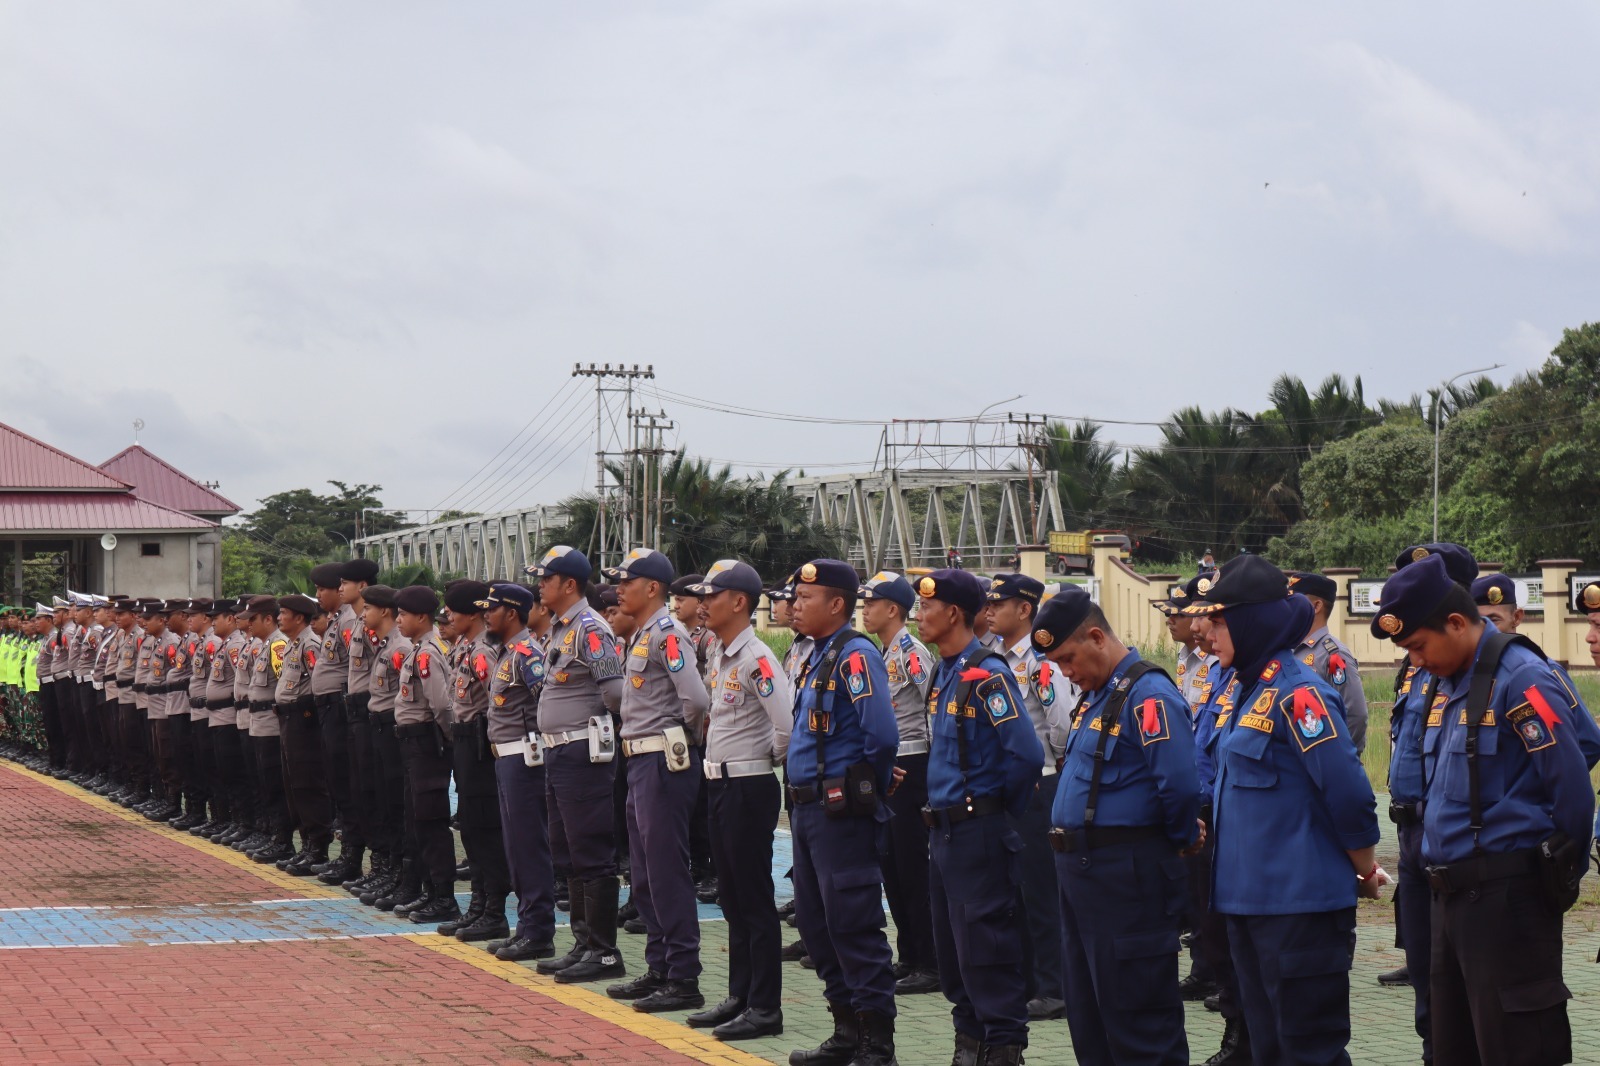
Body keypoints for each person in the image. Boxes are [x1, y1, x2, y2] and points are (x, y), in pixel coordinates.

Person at [1373, 553, 1594, 1066]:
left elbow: (1573, 793)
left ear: (1455, 623)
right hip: (1449, 900)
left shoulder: (1522, 678)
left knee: (1517, 1048)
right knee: (1453, 1048)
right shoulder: (1444, 683)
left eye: (1420, 646)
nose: (1417, 660)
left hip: (1508, 900)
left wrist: (1556, 880)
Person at [1186, 555, 1382, 1066]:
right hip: (1246, 905)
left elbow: (1349, 793)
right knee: (1268, 1047)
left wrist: (1365, 868)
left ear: (1254, 620)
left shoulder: (1300, 695)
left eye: (1221, 617)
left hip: (1298, 907)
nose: (1206, 628)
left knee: (1307, 1049)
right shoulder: (1247, 689)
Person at [1033, 583, 1202, 1066]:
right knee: (1090, 1018)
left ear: (1096, 637)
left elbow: (1179, 787)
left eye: (1069, 659)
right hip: (1084, 875)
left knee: (1138, 1020)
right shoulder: (1100, 693)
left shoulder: (1148, 693)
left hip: (1126, 874)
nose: (1067, 673)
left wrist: (1179, 842)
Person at [921, 569, 1043, 1066]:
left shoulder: (986, 673)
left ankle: (1003, 1049)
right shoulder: (942, 671)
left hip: (977, 831)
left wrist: (993, 813)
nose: (919, 615)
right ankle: (968, 1045)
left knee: (987, 949)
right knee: (953, 952)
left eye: (927, 606)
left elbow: (1027, 756)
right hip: (944, 832)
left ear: (953, 613)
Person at [784, 559, 900, 1066]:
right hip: (807, 812)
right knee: (816, 924)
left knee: (854, 924)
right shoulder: (816, 654)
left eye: (805, 598)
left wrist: (864, 786)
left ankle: (877, 1045)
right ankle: (846, 1032)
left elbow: (882, 736)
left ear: (836, 604)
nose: (794, 606)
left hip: (840, 814)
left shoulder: (855, 655)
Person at [601, 548, 711, 1013]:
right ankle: (660, 965)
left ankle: (683, 977)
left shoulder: (668, 634)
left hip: (664, 762)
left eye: (626, 582)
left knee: (665, 872)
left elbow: (697, 702)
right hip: (640, 761)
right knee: (645, 874)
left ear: (651, 589)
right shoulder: (642, 634)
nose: (618, 589)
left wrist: (676, 741)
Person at [688, 560, 794, 1040]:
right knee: (731, 896)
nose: (704, 603)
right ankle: (740, 995)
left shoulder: (757, 658)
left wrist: (761, 759)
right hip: (719, 785)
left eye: (713, 595)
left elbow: (787, 725)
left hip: (748, 787)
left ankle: (766, 1007)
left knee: (753, 898)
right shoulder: (720, 653)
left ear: (740, 602)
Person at [527, 546, 628, 985]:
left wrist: (596, 730)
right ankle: (584, 943)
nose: (540, 586)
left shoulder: (590, 629)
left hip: (583, 751)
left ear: (569, 584)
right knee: (568, 851)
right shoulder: (560, 629)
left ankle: (604, 953)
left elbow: (616, 692)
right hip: (558, 751)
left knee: (590, 851)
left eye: (546, 579)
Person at [986, 572, 1074, 1022]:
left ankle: (1055, 987)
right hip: (1008, 787)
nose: (990, 612)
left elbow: (1061, 723)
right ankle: (1028, 980)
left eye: (999, 605)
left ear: (1024, 610)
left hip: (1039, 781)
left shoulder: (1041, 663)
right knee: (1015, 889)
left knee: (1041, 891)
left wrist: (1053, 770)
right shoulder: (992, 658)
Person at [858, 570, 939, 997]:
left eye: (871, 603)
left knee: (911, 866)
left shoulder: (912, 653)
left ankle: (929, 960)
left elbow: (933, 710)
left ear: (893, 609)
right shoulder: (882, 651)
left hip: (915, 764)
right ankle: (909, 955)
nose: (864, 610)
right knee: (891, 866)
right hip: (894, 766)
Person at [482, 581, 558, 962]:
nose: (486, 615)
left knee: (529, 845)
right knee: (516, 847)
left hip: (525, 759)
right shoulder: (507, 652)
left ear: (511, 613)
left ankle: (539, 931)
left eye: (492, 609)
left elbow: (547, 699)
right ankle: (526, 927)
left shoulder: (528, 653)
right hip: (506, 757)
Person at [439, 580, 513, 942]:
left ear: (471, 613)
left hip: (482, 743)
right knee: (470, 827)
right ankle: (479, 906)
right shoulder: (465, 647)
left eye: (452, 610)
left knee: (484, 829)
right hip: (466, 740)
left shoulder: (483, 652)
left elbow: (496, 701)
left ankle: (494, 910)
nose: (448, 616)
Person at [392, 584, 460, 924]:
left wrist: (447, 742)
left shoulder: (428, 653)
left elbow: (441, 706)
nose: (399, 620)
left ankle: (444, 897)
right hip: (414, 743)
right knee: (420, 819)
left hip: (426, 744)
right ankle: (431, 893)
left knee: (432, 821)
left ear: (421, 617)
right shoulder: (418, 650)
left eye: (403, 615)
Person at [309, 562, 361, 884]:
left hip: (341, 709)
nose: (322, 594)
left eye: (322, 589)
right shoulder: (338, 621)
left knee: (346, 784)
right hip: (330, 709)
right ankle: (347, 857)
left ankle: (351, 858)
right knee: (337, 783)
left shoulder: (349, 621)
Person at [275, 593, 333, 874]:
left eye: (283, 613)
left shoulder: (310, 643)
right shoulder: (293, 643)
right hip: (288, 719)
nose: (278, 617)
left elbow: (318, 683)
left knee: (308, 785)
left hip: (304, 720)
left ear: (299, 617)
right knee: (293, 785)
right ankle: (307, 844)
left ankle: (318, 847)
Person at [1285, 572, 1369, 754]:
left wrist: (1340, 759)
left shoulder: (1333, 654)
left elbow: (1355, 715)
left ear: (1316, 606)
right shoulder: (1289, 650)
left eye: (1293, 601)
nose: (1286, 607)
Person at [244, 596, 295, 863]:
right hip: (259, 724)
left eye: (252, 619)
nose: (248, 624)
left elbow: (281, 688)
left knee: (275, 786)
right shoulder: (265, 644)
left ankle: (282, 840)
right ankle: (272, 835)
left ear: (267, 619)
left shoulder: (277, 645)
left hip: (271, 726)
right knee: (264, 784)